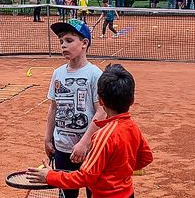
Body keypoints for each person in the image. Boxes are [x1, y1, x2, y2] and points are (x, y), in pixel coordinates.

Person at [28, 64, 153, 198]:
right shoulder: (133, 127)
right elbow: (146, 157)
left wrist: (50, 176)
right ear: (132, 100)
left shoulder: (103, 136)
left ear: (100, 100)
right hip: (128, 194)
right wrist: (119, 171)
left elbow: (85, 177)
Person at [44, 19, 105, 198]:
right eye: (61, 41)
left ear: (84, 43)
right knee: (67, 194)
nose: (63, 45)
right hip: (62, 147)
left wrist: (84, 143)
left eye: (69, 41)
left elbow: (101, 112)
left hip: (89, 149)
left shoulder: (95, 74)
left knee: (93, 192)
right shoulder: (58, 73)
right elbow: (53, 108)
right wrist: (48, 138)